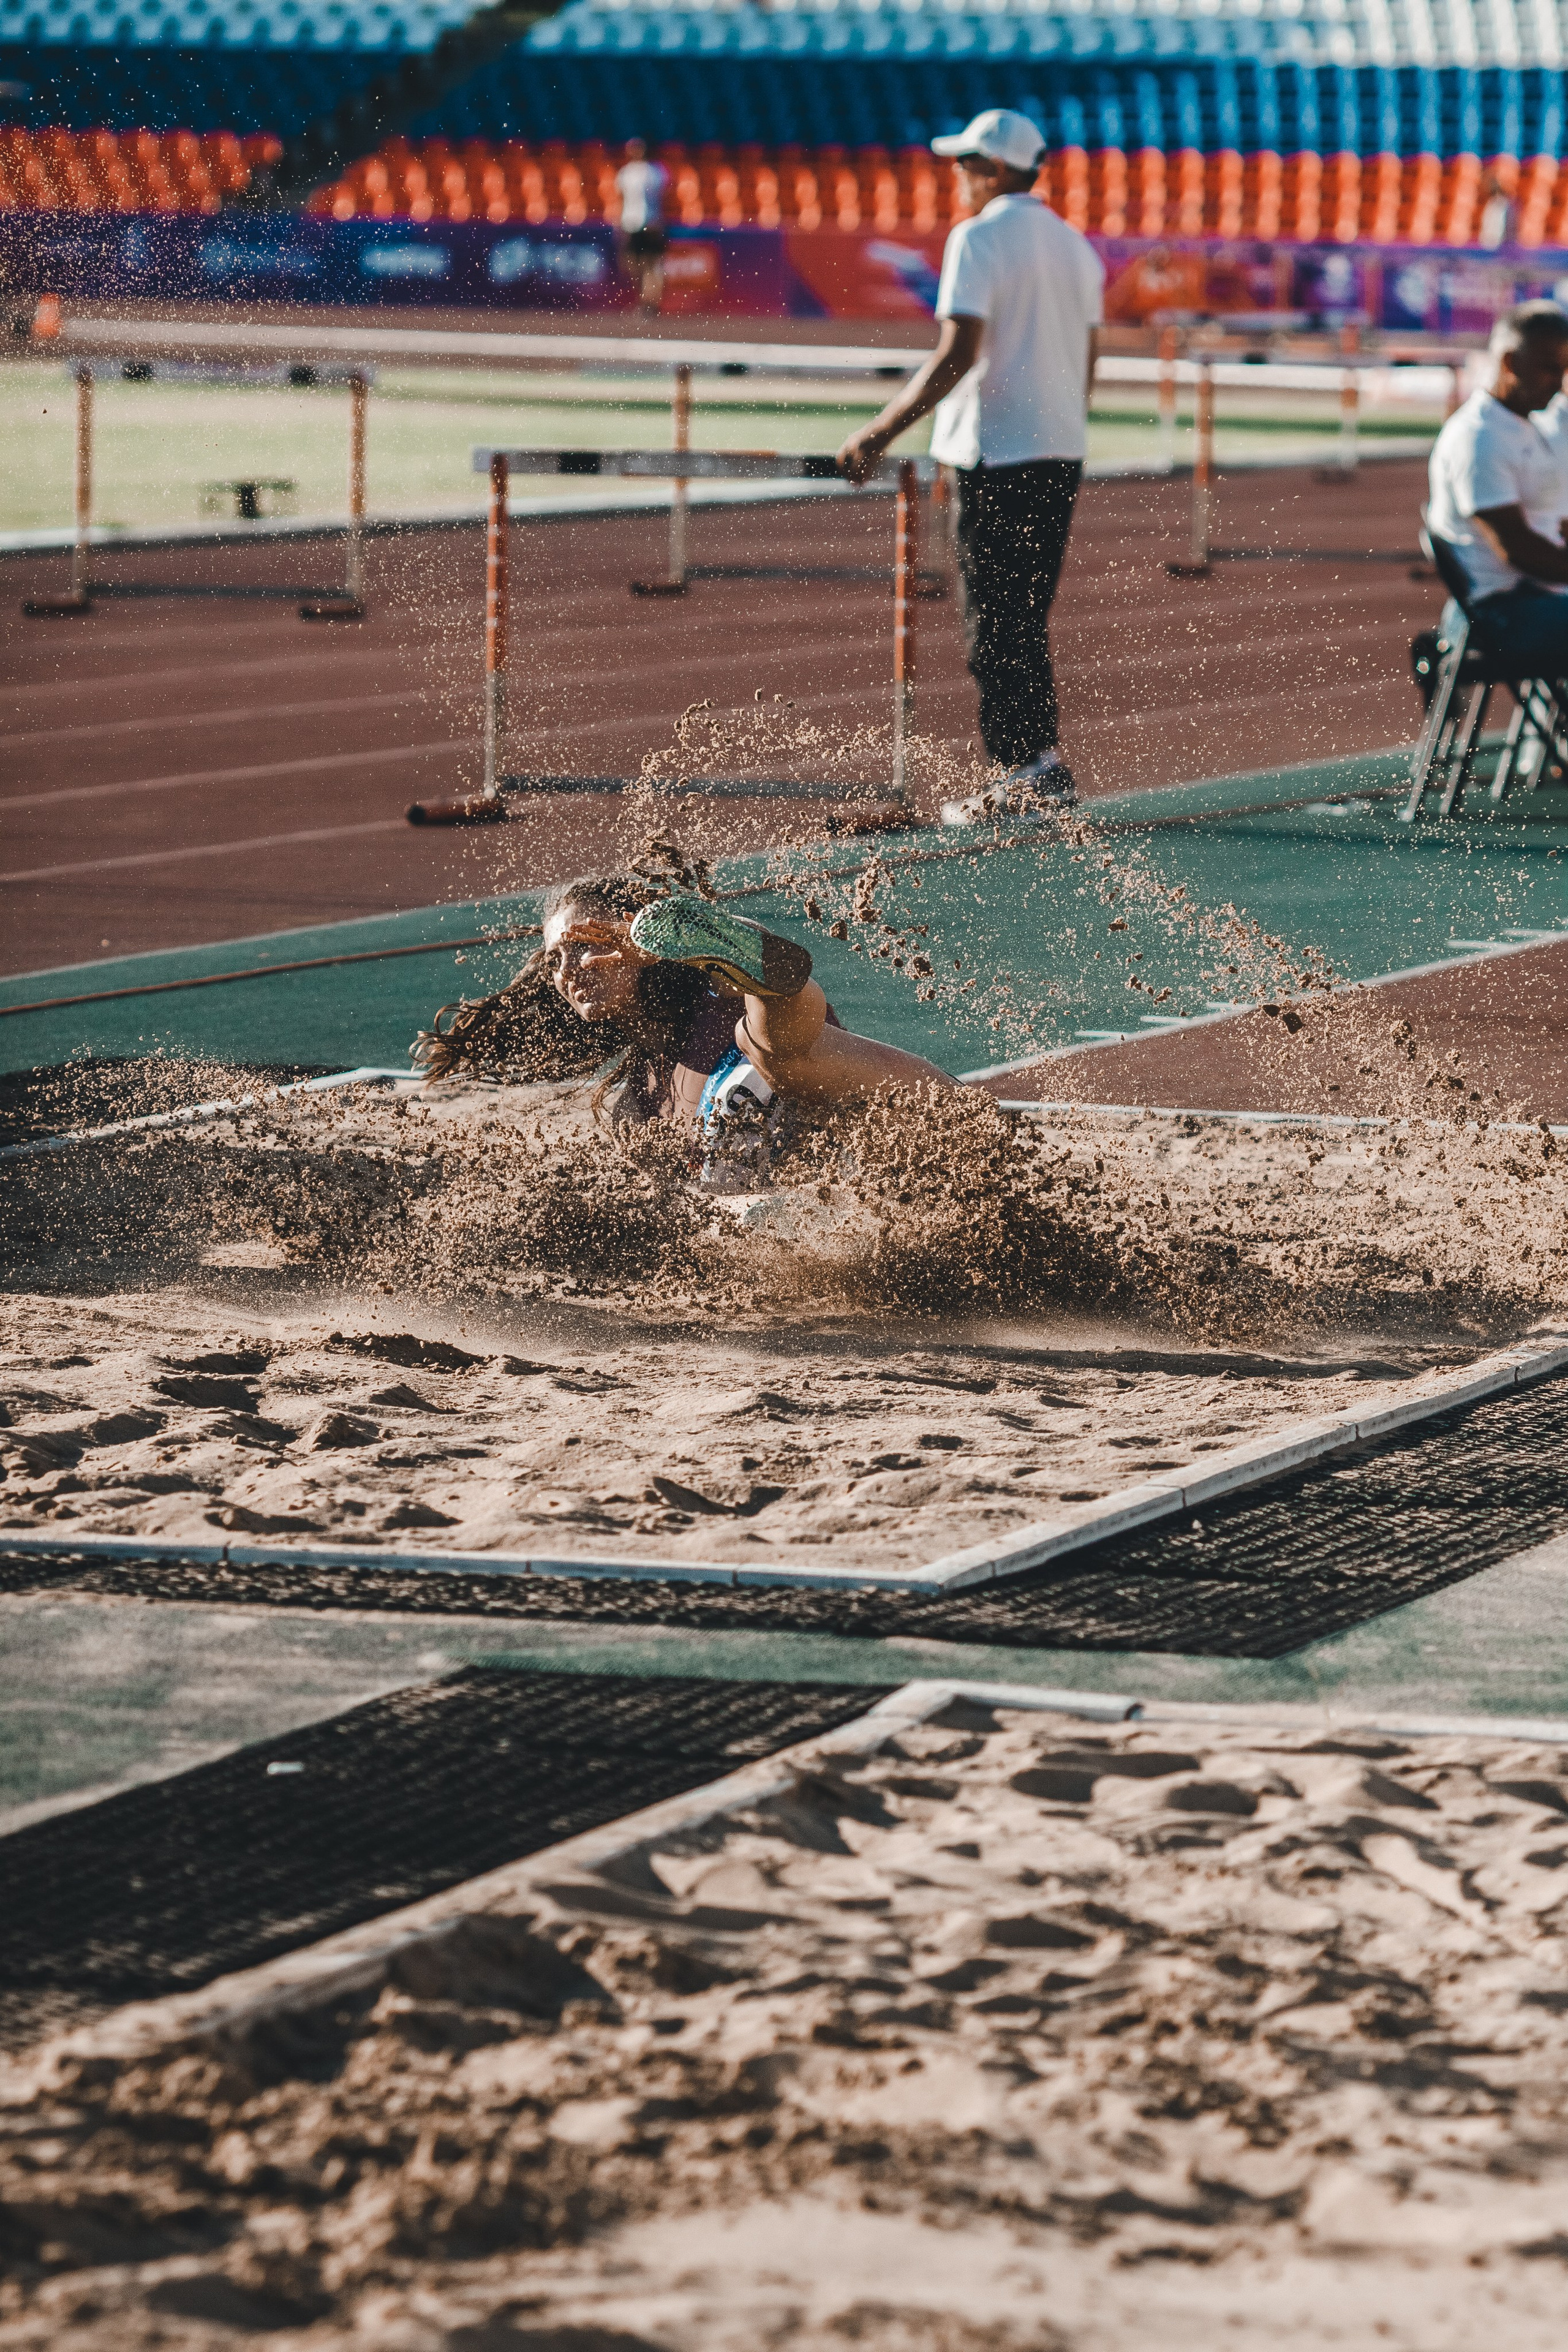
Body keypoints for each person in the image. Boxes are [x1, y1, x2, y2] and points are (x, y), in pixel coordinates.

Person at [837, 107, 1104, 827]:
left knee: (994, 621)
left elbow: (957, 352)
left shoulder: (978, 239)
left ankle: (1022, 774)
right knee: (1024, 616)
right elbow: (1089, 362)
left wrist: (879, 431)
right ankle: (1038, 766)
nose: (956, 176)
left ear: (991, 167)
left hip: (996, 453)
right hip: (1057, 451)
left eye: (963, 163)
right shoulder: (1075, 247)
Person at [413, 875, 956, 1172]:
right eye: (557, 958)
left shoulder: (715, 999)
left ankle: (721, 948)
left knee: (763, 1058)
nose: (568, 970)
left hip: (944, 1128)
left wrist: (671, 943)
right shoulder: (644, 1098)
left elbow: (773, 1001)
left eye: (586, 947)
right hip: (895, 1216)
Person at [1427, 301, 1568, 680]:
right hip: (1501, 612)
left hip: (1536, 599)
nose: (1560, 381)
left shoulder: (1526, 426)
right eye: (1551, 368)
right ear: (1510, 363)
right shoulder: (1479, 438)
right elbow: (1516, 549)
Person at [615, 139, 669, 317]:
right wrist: (620, 222)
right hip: (631, 222)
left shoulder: (656, 171)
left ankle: (651, 302)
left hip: (651, 222)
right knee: (633, 264)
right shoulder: (626, 172)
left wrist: (660, 221)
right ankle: (643, 300)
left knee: (652, 264)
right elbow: (621, 199)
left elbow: (663, 198)